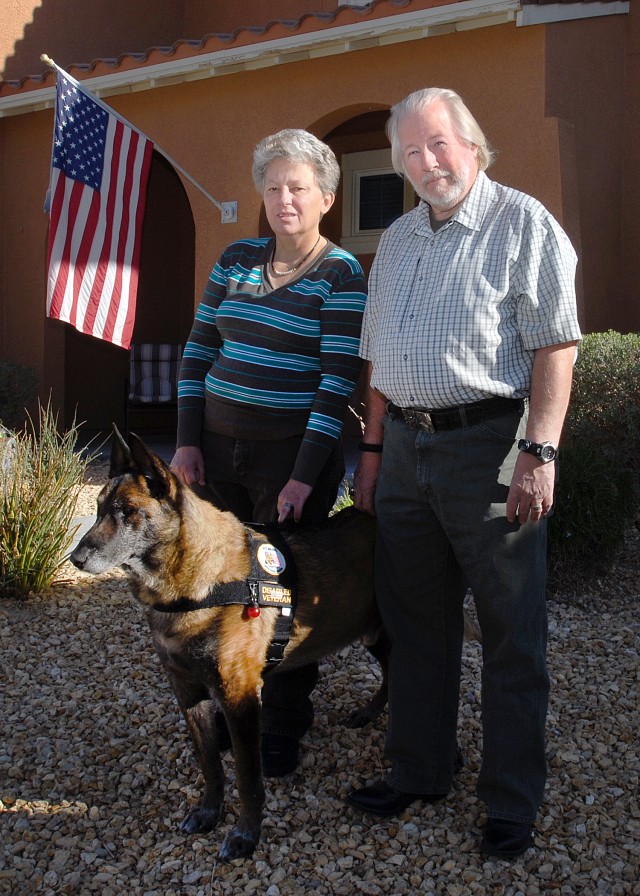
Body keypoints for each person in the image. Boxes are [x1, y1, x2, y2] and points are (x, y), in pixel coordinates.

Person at [346, 88, 581, 859]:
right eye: (410, 151)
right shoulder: (403, 239)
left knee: (512, 632)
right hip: (407, 452)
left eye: (438, 143)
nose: (426, 162)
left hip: (490, 448)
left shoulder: (523, 223)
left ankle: (511, 799)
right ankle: (420, 767)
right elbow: (379, 355)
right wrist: (374, 454)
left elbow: (556, 346)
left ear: (471, 143)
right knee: (415, 621)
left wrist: (539, 453)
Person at [171, 128, 367, 777]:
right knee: (224, 589)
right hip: (216, 458)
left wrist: (304, 478)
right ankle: (237, 712)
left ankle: (285, 725)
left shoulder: (341, 273)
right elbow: (198, 354)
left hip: (288, 460)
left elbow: (335, 383)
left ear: (326, 197)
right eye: (274, 186)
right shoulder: (235, 259)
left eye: (299, 188)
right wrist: (189, 441)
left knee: (282, 593)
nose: (285, 199)